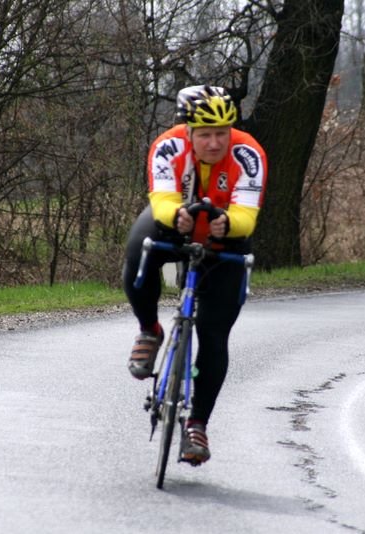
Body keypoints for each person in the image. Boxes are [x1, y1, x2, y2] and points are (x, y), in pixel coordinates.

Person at [122, 84, 268, 465]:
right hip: (176, 220)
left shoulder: (248, 153)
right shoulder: (168, 147)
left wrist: (228, 224)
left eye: (222, 133)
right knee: (139, 253)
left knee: (214, 335)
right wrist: (176, 216)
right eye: (205, 135)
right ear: (187, 132)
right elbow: (163, 199)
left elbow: (247, 214)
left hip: (226, 234)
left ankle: (197, 426)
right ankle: (149, 328)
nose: (215, 143)